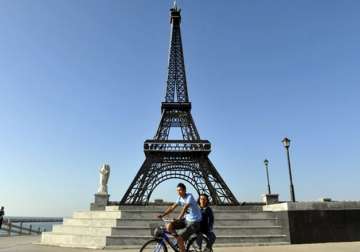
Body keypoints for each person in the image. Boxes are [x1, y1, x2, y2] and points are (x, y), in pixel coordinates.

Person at [157, 183, 202, 252]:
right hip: (186, 219)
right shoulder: (180, 198)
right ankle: (180, 241)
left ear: (184, 190)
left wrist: (178, 218)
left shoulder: (189, 196)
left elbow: (185, 208)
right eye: (177, 191)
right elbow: (172, 207)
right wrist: (163, 215)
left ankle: (180, 241)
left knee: (180, 238)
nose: (178, 192)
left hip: (194, 221)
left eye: (180, 190)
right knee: (169, 226)